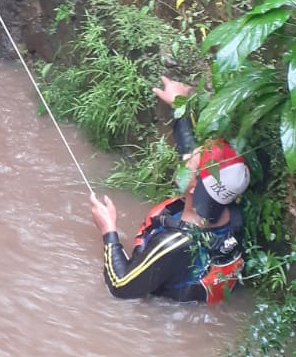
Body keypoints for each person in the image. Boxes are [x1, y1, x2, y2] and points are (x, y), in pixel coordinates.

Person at [89, 77, 250, 304]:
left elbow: (121, 286)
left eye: (190, 165)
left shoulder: (174, 244)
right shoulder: (227, 206)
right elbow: (196, 161)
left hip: (164, 307)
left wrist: (108, 231)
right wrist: (179, 106)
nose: (185, 159)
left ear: (193, 187)